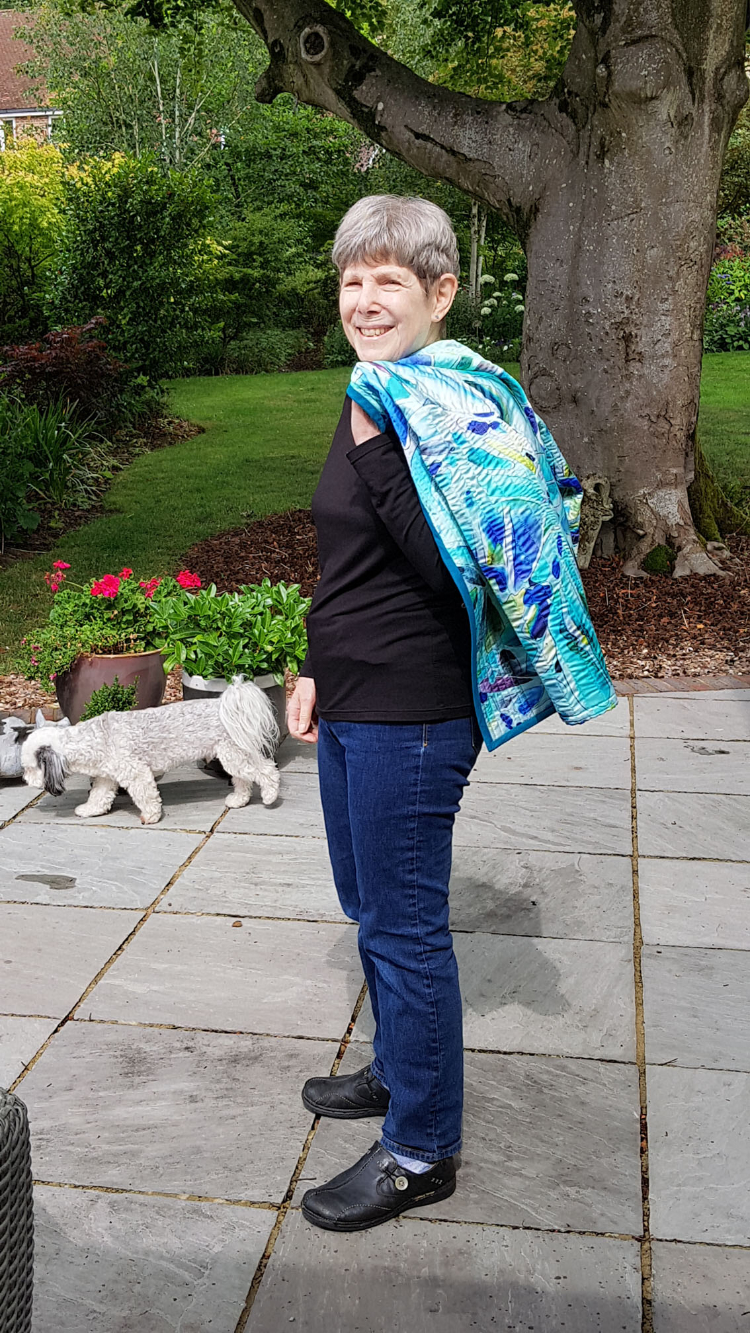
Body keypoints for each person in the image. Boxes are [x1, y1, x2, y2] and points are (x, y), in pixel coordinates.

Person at [287, 194, 615, 1234]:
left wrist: (381, 444)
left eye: (390, 280)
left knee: (404, 927)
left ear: (440, 292)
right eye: (352, 279)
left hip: (416, 713)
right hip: (352, 698)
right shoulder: (375, 390)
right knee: (366, 904)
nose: (366, 299)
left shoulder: (452, 406)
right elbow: (351, 561)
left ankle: (422, 1149)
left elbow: (460, 578)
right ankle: (398, 1069)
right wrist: (311, 667)